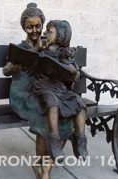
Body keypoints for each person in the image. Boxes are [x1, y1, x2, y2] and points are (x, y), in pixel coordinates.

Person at [3, 3, 74, 179]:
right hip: (23, 95)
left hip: (44, 94)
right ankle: (41, 165)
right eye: (29, 27)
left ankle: (45, 168)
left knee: (67, 116)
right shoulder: (19, 48)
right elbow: (5, 70)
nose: (34, 31)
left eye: (38, 26)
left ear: (42, 25)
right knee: (46, 116)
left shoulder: (48, 45)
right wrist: (13, 68)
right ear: (23, 27)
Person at [33, 20, 88, 161]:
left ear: (61, 36)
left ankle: (80, 138)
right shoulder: (42, 50)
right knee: (52, 102)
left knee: (80, 103)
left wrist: (72, 70)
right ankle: (54, 139)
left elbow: (73, 74)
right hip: (44, 87)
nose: (45, 33)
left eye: (49, 31)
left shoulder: (64, 53)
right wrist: (37, 49)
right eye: (46, 30)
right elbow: (31, 62)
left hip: (60, 88)